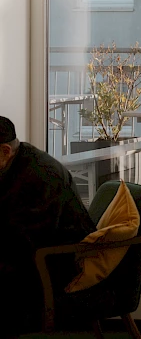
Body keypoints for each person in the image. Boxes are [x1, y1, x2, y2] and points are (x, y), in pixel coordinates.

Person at [0, 115, 96, 335]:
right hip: (31, 253)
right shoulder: (15, 163)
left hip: (56, 264)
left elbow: (23, 242)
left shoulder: (40, 176)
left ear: (5, 151)